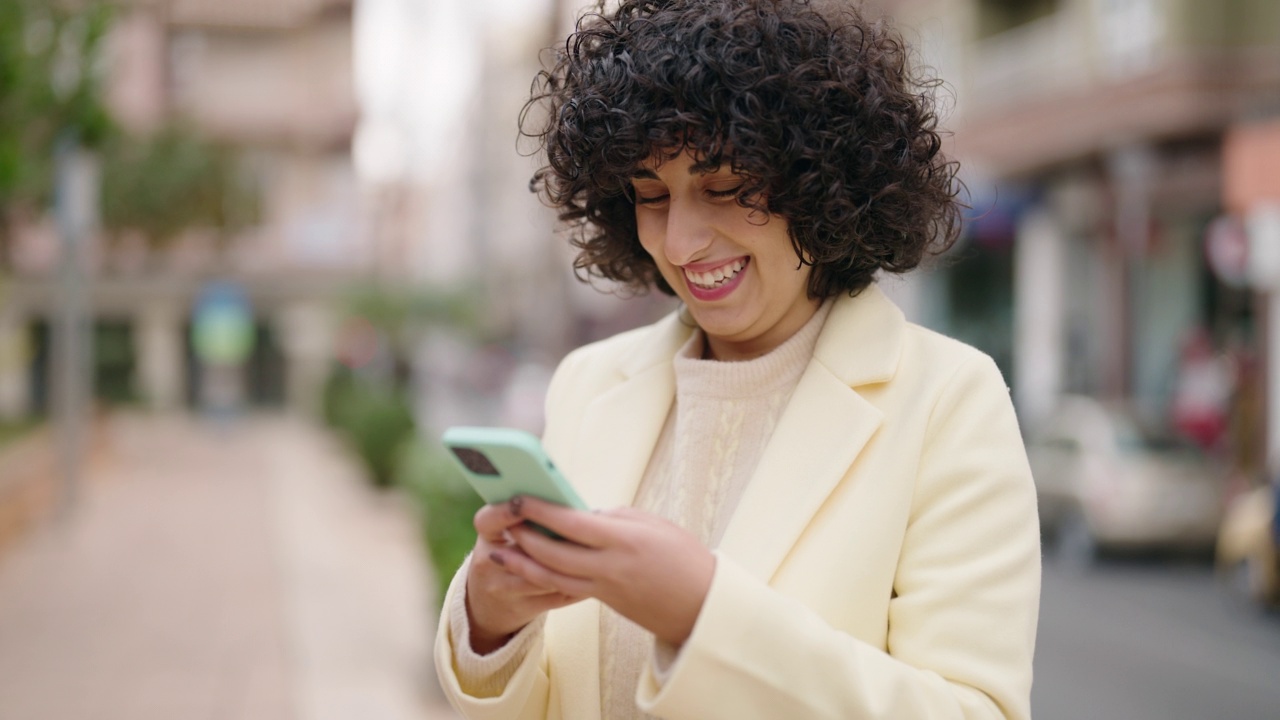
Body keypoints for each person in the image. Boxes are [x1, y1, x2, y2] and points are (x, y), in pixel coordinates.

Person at [435, 1, 1041, 718]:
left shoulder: (948, 400)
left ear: (821, 183)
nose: (683, 241)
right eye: (651, 196)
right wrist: (490, 624)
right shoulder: (589, 383)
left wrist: (701, 614)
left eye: (724, 188)